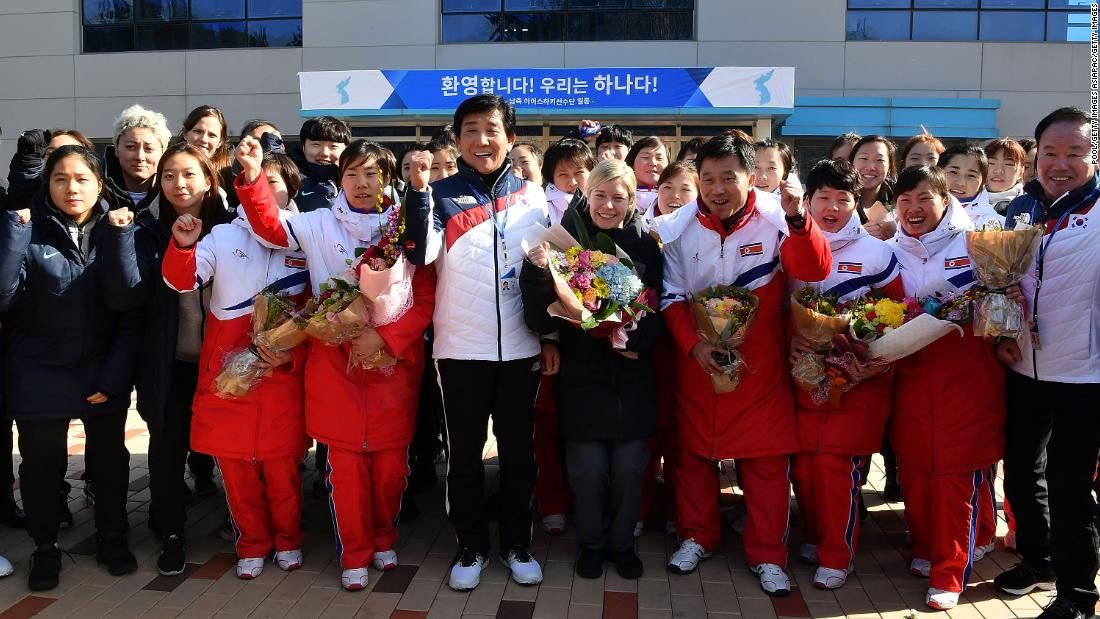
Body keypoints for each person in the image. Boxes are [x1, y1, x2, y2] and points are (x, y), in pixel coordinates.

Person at [237, 136, 436, 591]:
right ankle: (355, 552)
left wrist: (385, 335)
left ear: (389, 179)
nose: (362, 183)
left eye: (372, 173)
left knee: (391, 471)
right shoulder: (317, 223)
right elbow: (269, 227)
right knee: (344, 472)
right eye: (352, 173)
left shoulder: (411, 225)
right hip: (333, 364)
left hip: (392, 364)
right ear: (339, 178)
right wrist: (251, 177)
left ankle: (385, 536)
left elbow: (424, 295)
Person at [659, 134, 830, 596]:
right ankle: (697, 536)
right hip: (698, 365)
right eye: (707, 178)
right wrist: (693, 346)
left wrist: (798, 218)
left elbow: (814, 270)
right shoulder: (677, 227)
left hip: (762, 367)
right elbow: (672, 297)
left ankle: (769, 555)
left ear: (751, 178)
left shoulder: (777, 218)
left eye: (728, 177)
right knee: (692, 459)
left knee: (767, 466)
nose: (717, 188)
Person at [405, 94, 550, 591]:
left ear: (511, 138)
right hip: (460, 350)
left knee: (518, 454)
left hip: (521, 348)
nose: (481, 139)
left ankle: (516, 543)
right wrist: (420, 193)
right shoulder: (440, 193)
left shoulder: (534, 196)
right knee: (464, 455)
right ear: (457, 138)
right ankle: (470, 547)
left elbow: (549, 275)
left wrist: (548, 336)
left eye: (491, 129)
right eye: (470, 129)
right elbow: (420, 255)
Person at [160, 151, 310, 580]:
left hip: (282, 377)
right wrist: (184, 246)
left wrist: (291, 355)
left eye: (273, 181)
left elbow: (324, 312)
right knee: (238, 475)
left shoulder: (306, 236)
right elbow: (182, 279)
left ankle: (288, 539)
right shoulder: (222, 236)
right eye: (252, 178)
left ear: (290, 190)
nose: (263, 187)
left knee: (284, 474)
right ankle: (252, 542)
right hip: (229, 380)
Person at [0, 145, 142, 590]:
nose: (71, 187)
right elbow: (3, 297)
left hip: (101, 368)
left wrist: (115, 376)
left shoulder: (119, 228)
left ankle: (112, 536)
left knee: (110, 461)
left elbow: (127, 304)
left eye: (82, 178)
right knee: (41, 465)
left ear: (100, 183)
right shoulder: (29, 231)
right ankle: (45, 547)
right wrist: (14, 232)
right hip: (38, 371)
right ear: (48, 185)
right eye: (60, 178)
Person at [521, 159, 663, 579]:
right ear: (587, 195)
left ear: (632, 201)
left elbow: (659, 307)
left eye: (619, 198)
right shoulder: (566, 241)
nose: (608, 205)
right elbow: (540, 317)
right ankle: (592, 544)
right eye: (600, 195)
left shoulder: (645, 245)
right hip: (583, 377)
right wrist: (537, 273)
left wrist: (628, 335)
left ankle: (622, 545)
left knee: (629, 469)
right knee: (587, 470)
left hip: (634, 376)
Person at [994, 107, 1100, 619]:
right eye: (1050, 153)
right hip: (1023, 366)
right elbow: (1000, 284)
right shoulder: (1020, 209)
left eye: (1074, 153)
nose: (1061, 164)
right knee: (1019, 473)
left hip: (1085, 374)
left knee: (1070, 484)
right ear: (1035, 155)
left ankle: (1079, 594)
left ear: (1092, 156)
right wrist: (1000, 333)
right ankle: (1038, 561)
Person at [888, 165, 1005, 611]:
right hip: (912, 378)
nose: (914, 209)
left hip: (967, 377)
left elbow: (1010, 297)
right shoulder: (888, 249)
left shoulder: (980, 243)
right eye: (904, 201)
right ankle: (925, 547)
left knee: (956, 477)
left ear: (944, 199)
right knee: (917, 473)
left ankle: (949, 571)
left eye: (924, 198)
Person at [787, 159, 904, 590]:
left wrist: (868, 361)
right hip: (802, 378)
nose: (832, 208)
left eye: (843, 199)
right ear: (808, 201)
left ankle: (839, 555)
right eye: (824, 198)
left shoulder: (877, 253)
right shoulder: (789, 244)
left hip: (856, 382)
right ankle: (818, 537)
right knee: (805, 468)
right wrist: (791, 341)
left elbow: (897, 316)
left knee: (838, 470)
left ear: (857, 203)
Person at [127, 143, 235, 577]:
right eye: (169, 175)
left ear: (209, 179)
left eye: (189, 174)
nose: (178, 184)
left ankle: (242, 520)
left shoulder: (231, 229)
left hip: (225, 363)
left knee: (232, 448)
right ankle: (171, 530)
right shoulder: (146, 231)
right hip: (169, 361)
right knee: (167, 449)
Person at [104, 104, 171, 213]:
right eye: (131, 147)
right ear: (116, 149)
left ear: (163, 152)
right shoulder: (97, 194)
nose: (140, 157)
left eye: (149, 148)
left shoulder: (175, 194)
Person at [292, 116, 350, 212]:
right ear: (303, 147)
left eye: (333, 146)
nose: (325, 153)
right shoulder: (292, 180)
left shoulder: (355, 179)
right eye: (316, 145)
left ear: (346, 149)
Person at [938, 144, 1004, 229]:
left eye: (971, 175)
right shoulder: (921, 213)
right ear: (937, 172)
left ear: (983, 181)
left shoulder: (996, 225)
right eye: (953, 172)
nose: (961, 183)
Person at [849, 135, 897, 241]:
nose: (871, 167)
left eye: (880, 160)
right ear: (852, 163)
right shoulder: (839, 199)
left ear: (890, 167)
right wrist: (859, 234)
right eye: (863, 158)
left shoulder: (899, 200)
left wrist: (897, 234)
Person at [542, 138, 595, 225]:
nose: (572, 182)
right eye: (563, 174)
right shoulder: (541, 208)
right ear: (552, 177)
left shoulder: (602, 206)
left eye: (579, 172)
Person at [625, 137, 670, 217]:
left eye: (659, 158)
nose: (653, 163)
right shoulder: (622, 195)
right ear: (632, 163)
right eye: (645, 157)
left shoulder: (675, 196)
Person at [984, 138, 1027, 214]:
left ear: (1021, 171)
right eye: (991, 163)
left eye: (1008, 164)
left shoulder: (1029, 206)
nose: (999, 171)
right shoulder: (964, 201)